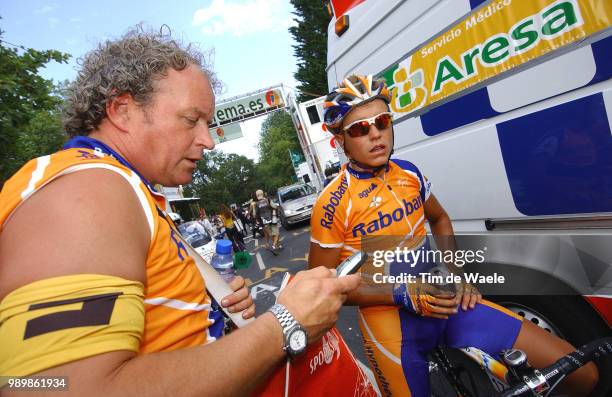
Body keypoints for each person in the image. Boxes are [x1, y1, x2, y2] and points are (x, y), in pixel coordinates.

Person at [0, 29, 360, 395]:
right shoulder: (85, 189)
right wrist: (285, 324)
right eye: (192, 120)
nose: (208, 140)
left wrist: (212, 306)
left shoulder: (125, 189)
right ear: (122, 110)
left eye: (209, 123)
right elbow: (57, 389)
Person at [308, 74, 598, 397]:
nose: (376, 134)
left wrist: (457, 275)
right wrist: (401, 293)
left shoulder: (409, 173)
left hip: (444, 301)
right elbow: (320, 288)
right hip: (390, 325)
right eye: (360, 129)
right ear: (340, 140)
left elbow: (440, 218)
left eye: (383, 122)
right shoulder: (332, 203)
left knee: (583, 374)